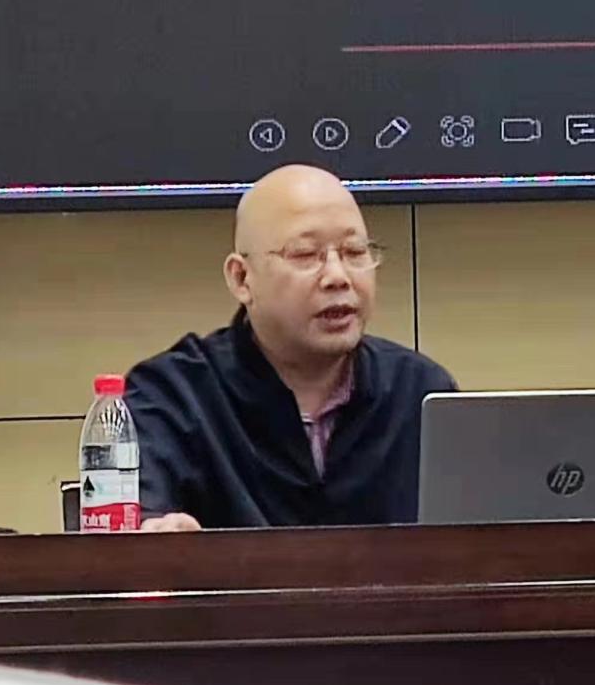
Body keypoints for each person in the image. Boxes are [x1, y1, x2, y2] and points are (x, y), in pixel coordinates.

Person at [125, 164, 455, 531]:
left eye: (355, 251)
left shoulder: (421, 395)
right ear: (241, 278)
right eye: (305, 254)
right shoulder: (172, 396)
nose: (338, 277)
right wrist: (156, 534)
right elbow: (136, 526)